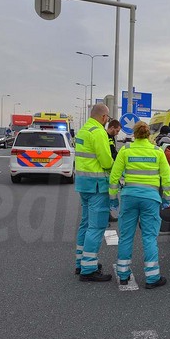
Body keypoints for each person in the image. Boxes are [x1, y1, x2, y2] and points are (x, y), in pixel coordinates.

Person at [109, 121, 170, 289]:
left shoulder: (126, 150)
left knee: (126, 236)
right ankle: (152, 278)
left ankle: (123, 274)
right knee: (149, 237)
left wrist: (113, 198)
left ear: (134, 134)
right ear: (148, 135)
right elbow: (166, 179)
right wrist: (166, 199)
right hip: (151, 199)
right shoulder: (158, 152)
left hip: (129, 197)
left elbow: (114, 177)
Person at [74, 104, 114, 282]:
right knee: (96, 227)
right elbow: (106, 161)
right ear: (104, 117)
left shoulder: (83, 130)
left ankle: (81, 262)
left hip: (83, 184)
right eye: (107, 118)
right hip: (97, 185)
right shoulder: (98, 132)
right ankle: (89, 269)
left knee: (85, 224)